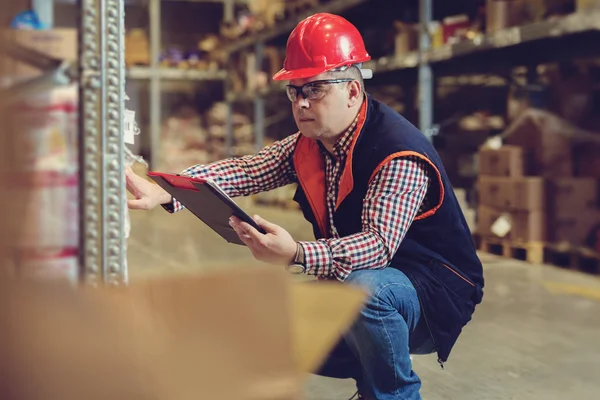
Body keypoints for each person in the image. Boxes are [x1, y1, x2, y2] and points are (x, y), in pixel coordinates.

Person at [125, 13, 484, 400]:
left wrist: (296, 253)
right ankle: (370, 387)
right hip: (367, 279)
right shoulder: (311, 142)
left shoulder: (398, 152)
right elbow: (247, 170)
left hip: (434, 292)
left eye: (314, 88)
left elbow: (378, 247)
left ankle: (395, 395)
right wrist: (169, 190)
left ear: (351, 90)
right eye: (294, 90)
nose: (301, 103)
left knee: (364, 290)